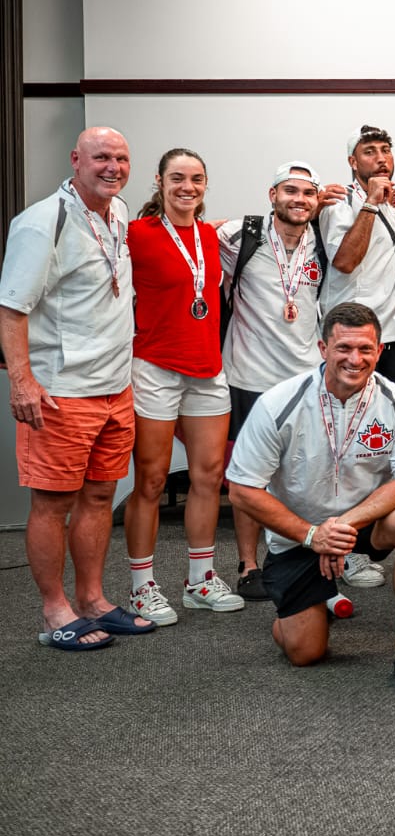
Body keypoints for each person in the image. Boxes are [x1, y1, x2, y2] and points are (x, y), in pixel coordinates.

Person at [225, 303, 395, 692]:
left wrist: (339, 528)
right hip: (298, 533)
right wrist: (311, 535)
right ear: (322, 348)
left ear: (379, 350)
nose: (355, 360)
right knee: (305, 653)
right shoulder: (279, 403)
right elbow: (241, 489)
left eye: (366, 349)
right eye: (344, 348)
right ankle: (309, 610)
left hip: (362, 524)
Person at [2, 126, 155, 649]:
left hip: (115, 388)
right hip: (61, 391)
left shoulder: (120, 213)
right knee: (52, 505)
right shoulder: (43, 220)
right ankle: (54, 610)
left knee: (100, 495)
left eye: (121, 157)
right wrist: (22, 381)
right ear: (76, 160)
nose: (112, 167)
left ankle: (92, 599)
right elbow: (12, 306)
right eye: (101, 158)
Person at [122, 147, 242, 625]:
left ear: (205, 185)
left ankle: (200, 579)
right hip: (154, 366)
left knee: (209, 477)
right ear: (159, 182)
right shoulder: (136, 233)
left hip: (207, 369)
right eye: (177, 178)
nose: (186, 187)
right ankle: (141, 586)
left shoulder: (213, 237)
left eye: (195, 178)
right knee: (150, 479)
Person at [219, 162, 332, 598]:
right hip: (249, 376)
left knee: (305, 472)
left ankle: (300, 553)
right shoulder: (239, 235)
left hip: (304, 378)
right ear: (272, 195)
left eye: (308, 193)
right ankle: (249, 565)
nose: (299, 199)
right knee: (248, 477)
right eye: (290, 190)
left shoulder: (322, 242)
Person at [320, 125, 395, 383]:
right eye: (369, 152)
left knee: (384, 420)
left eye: (386, 151)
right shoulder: (340, 201)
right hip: (352, 335)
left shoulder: (390, 203)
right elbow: (345, 262)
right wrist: (370, 202)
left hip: (391, 334)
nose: (381, 158)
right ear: (353, 161)